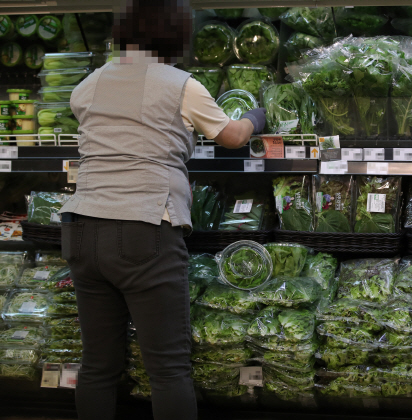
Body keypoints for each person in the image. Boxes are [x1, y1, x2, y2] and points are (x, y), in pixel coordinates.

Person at [59, 1, 266, 419]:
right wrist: (256, 116)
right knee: (168, 369)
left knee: (98, 366)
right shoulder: (179, 85)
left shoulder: (88, 85)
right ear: (176, 35)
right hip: (143, 226)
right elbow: (231, 136)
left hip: (81, 227)